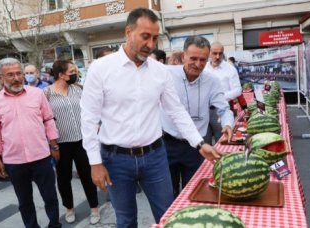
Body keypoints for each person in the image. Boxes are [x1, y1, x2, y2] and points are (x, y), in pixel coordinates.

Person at [80, 7, 222, 227]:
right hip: (116, 159)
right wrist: (95, 163)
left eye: (155, 38)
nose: (151, 44)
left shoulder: (160, 71)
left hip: (155, 157)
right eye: (145, 36)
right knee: (126, 220)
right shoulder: (100, 69)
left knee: (167, 215)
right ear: (128, 32)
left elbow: (176, 111)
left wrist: (199, 142)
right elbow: (89, 118)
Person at [0, 58, 61, 228]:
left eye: (19, 73)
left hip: (41, 156)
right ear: (0, 78)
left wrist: (54, 145)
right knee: (24, 201)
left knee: (50, 197)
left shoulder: (37, 94)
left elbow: (48, 120)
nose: (17, 78)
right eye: (10, 75)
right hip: (15, 161)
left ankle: (54, 224)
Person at [161, 36, 233, 198]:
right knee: (167, 194)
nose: (198, 64)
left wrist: (228, 124)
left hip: (197, 147)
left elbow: (224, 109)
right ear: (183, 56)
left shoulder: (212, 81)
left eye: (203, 59)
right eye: (193, 58)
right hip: (167, 144)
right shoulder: (166, 74)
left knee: (194, 193)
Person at [44, 60, 100, 225]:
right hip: (61, 144)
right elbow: (45, 120)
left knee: (87, 176)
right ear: (60, 75)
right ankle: (69, 208)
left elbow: (89, 111)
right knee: (63, 178)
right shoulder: (46, 94)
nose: (76, 74)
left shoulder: (79, 89)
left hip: (82, 141)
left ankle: (94, 208)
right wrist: (51, 144)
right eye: (72, 72)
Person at [204, 41, 242, 144]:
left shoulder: (230, 69)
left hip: (221, 111)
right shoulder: (204, 68)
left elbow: (238, 90)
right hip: (204, 111)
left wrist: (220, 98)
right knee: (204, 142)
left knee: (221, 141)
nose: (217, 56)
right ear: (209, 53)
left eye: (220, 53)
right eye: (214, 53)